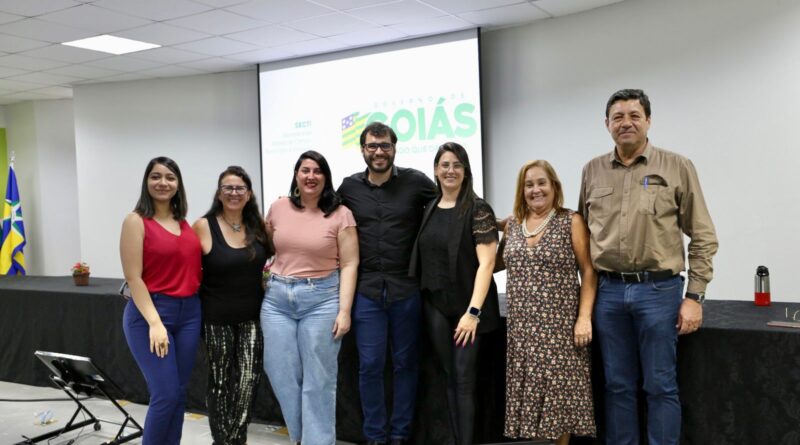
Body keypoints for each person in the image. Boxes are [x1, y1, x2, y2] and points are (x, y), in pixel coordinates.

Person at [579, 89, 718, 445]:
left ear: (648, 121)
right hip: (608, 293)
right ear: (607, 124)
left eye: (634, 116)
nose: (626, 123)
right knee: (617, 386)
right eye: (618, 117)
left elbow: (702, 235)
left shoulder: (677, 167)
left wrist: (695, 296)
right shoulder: (592, 170)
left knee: (660, 386)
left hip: (659, 292)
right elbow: (579, 232)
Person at [338, 122, 436, 445]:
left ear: (395, 148)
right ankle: (375, 436)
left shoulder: (417, 182)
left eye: (384, 145)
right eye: (372, 146)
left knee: (406, 364)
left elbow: (452, 201)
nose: (378, 151)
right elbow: (323, 215)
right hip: (366, 291)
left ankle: (400, 435)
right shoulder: (349, 188)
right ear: (363, 150)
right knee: (369, 366)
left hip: (405, 288)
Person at [261, 150, 359, 445]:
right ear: (296, 175)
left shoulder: (341, 214)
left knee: (319, 381)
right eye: (305, 170)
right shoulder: (278, 207)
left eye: (317, 171)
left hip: (322, 300)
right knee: (280, 374)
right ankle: (302, 438)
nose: (311, 176)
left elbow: (351, 263)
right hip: (277, 300)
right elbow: (266, 246)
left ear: (325, 177)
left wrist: (344, 311)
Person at [500, 160, 596, 445]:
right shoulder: (514, 225)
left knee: (558, 406)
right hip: (523, 333)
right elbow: (493, 263)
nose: (535, 190)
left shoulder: (571, 220)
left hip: (559, 331)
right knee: (532, 406)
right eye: (529, 185)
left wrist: (584, 318)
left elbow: (589, 271)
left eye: (542, 183)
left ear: (554, 186)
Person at [410, 142, 500, 445]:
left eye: (457, 165)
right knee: (449, 378)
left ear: (466, 171)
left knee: (463, 381)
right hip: (435, 305)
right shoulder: (430, 208)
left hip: (469, 310)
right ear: (436, 170)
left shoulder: (478, 208)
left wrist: (472, 313)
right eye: (445, 164)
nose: (450, 170)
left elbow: (487, 264)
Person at [119, 156, 202, 445]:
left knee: (178, 394)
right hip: (151, 315)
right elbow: (134, 278)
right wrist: (155, 322)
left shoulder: (184, 223)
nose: (163, 182)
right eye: (156, 176)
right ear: (146, 182)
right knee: (165, 394)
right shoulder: (136, 221)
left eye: (170, 177)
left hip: (190, 313)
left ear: (178, 184)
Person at [193, 166, 273, 445]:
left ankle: (234, 438)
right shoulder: (204, 226)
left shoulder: (258, 225)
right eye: (228, 187)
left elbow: (273, 262)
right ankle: (221, 440)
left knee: (249, 380)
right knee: (219, 383)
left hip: (252, 315)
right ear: (219, 192)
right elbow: (188, 270)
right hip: (216, 318)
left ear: (249, 194)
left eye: (240, 188)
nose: (234, 193)